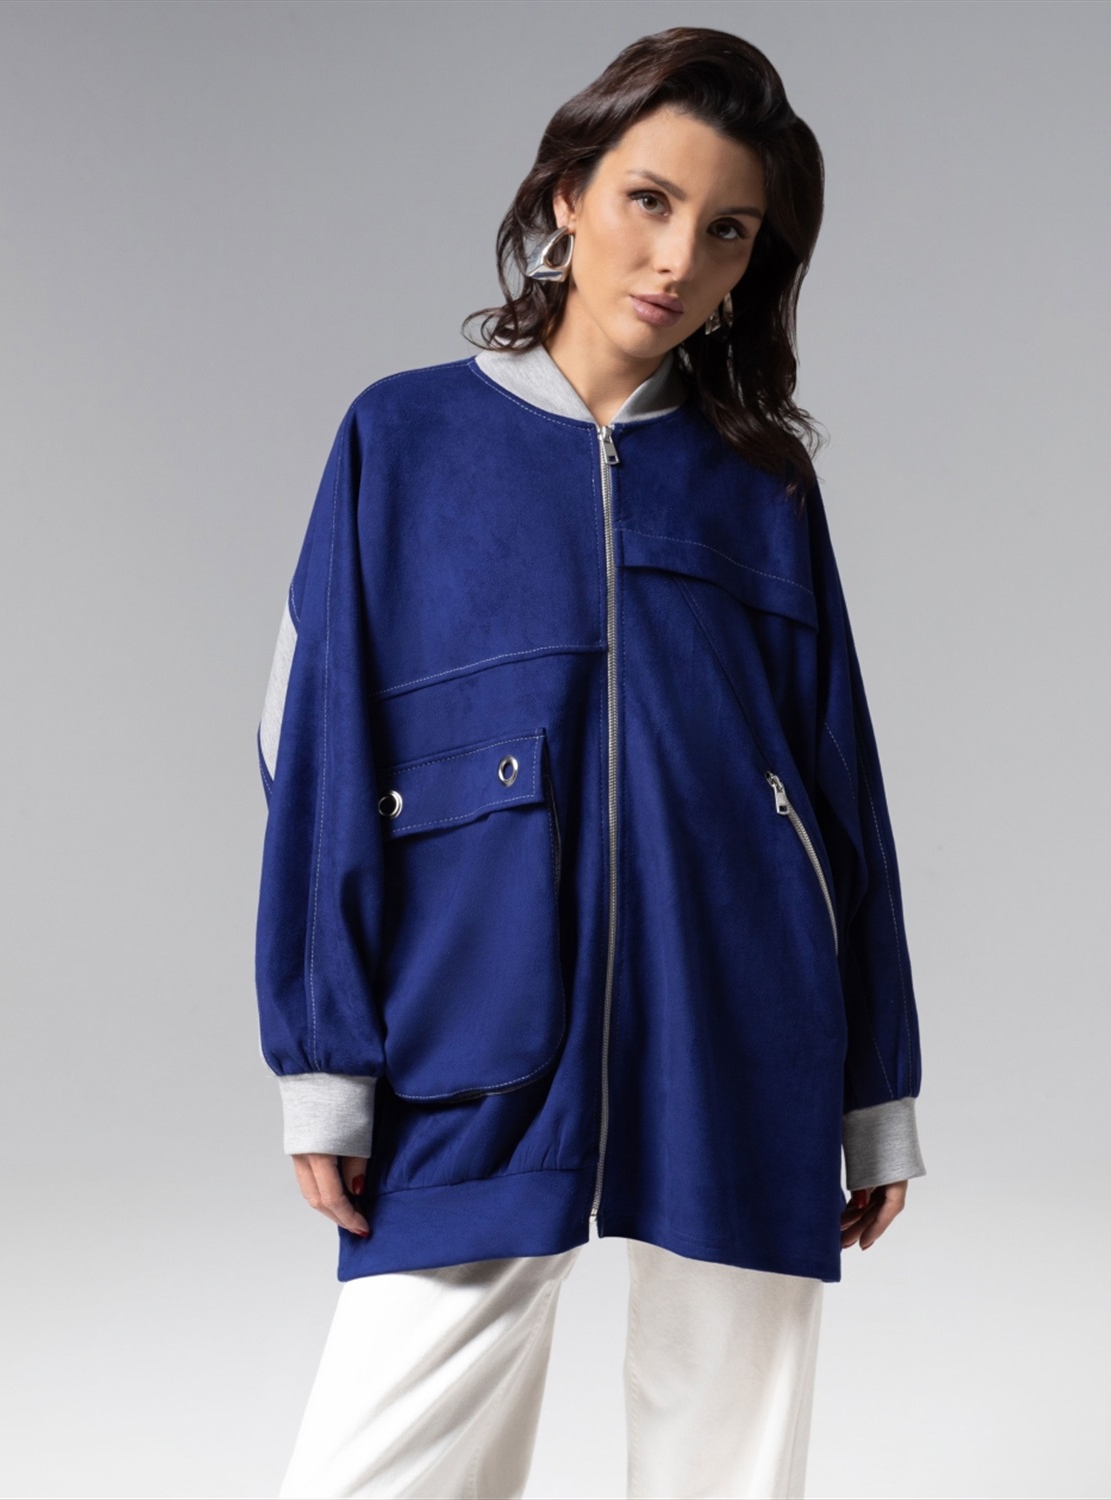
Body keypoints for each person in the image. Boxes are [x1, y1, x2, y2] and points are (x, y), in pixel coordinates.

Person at [253, 26, 926, 1499]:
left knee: (727, 1465)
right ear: (567, 193)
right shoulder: (402, 442)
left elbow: (838, 787)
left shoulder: (762, 483)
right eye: (648, 199)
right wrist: (325, 1061)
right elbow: (314, 761)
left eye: (727, 229)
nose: (678, 257)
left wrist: (876, 1086)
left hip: (740, 1019)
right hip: (471, 1030)